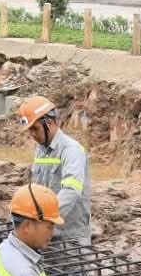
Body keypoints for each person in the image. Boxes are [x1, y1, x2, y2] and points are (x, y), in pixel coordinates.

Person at [19, 95, 92, 246]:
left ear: (49, 123)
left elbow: (71, 191)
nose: (32, 135)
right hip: (46, 234)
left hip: (70, 238)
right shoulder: (40, 150)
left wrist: (44, 217)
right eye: (29, 130)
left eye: (35, 129)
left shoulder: (71, 150)